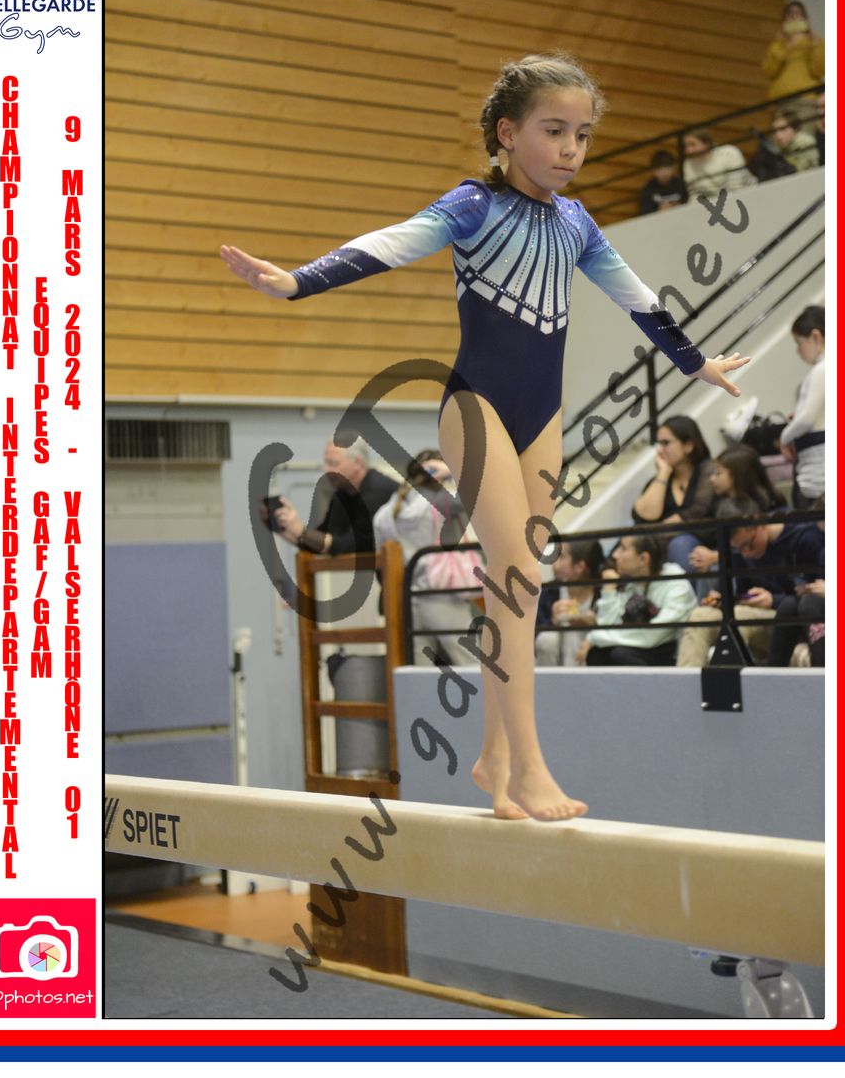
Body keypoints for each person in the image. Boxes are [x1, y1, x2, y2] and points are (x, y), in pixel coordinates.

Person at [220, 50, 750, 821]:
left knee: (519, 578)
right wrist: (300, 279)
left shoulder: (576, 223)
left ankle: (494, 756)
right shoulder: (474, 205)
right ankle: (529, 768)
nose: (571, 148)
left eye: (583, 135)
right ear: (507, 132)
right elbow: (395, 242)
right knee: (520, 573)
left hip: (543, 416)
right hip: (476, 410)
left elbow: (637, 298)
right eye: (553, 130)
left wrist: (695, 362)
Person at [676, 498, 824, 668]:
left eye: (749, 545)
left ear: (759, 524)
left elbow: (814, 599)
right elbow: (743, 592)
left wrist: (773, 600)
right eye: (739, 549)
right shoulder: (741, 551)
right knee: (700, 616)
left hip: (789, 620)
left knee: (739, 619)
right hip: (756, 614)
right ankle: (684, 682)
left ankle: (736, 683)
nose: (746, 553)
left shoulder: (805, 539)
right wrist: (726, 601)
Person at [372, 449, 481, 668]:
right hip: (443, 596)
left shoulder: (384, 514)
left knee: (420, 671)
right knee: (471, 665)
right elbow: (480, 496)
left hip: (409, 599)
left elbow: (380, 565)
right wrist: (453, 471)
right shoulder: (441, 502)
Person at [576, 535, 697, 667]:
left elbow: (653, 635)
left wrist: (595, 638)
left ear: (643, 559)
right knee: (597, 654)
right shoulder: (632, 584)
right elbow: (608, 624)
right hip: (645, 649)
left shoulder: (676, 585)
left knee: (620, 654)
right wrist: (609, 589)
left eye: (623, 549)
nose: (615, 555)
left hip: (672, 655)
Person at [267, 437, 396, 556]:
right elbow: (321, 541)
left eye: (333, 463)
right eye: (326, 463)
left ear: (357, 463)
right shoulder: (343, 494)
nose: (327, 470)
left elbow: (350, 545)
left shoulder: (378, 491)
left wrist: (300, 531)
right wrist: (282, 527)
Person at [632, 415, 718, 574]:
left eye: (666, 443)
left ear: (688, 445)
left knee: (681, 543)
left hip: (704, 543)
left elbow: (699, 509)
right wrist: (663, 473)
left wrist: (662, 529)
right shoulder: (661, 480)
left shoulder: (709, 470)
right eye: (659, 444)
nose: (660, 450)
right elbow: (642, 517)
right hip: (662, 549)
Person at [687, 444, 783, 577]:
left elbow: (758, 549)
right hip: (729, 555)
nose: (712, 478)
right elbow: (711, 533)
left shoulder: (763, 505)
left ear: (737, 476)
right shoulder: (720, 502)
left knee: (716, 570)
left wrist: (716, 556)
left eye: (718, 473)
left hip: (760, 567)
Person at [780, 306, 825, 508]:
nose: (798, 351)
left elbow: (807, 418)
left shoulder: (823, 369)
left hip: (821, 463)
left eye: (800, 343)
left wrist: (785, 437)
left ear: (816, 337)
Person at [535, 538, 604, 666]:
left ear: (580, 567)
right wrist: (552, 621)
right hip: (555, 660)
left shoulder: (604, 593)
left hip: (589, 660)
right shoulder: (550, 592)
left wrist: (595, 623)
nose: (554, 561)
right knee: (547, 639)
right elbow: (532, 633)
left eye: (561, 557)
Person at [761, 1, 825, 102]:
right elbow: (769, 72)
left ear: (805, 19)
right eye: (789, 14)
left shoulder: (815, 42)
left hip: (806, 99)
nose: (794, 17)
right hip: (780, 99)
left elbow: (818, 71)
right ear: (784, 22)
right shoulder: (778, 45)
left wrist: (813, 42)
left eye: (798, 13)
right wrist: (785, 47)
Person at [682, 129, 757, 199]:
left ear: (706, 143)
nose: (688, 150)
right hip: (718, 204)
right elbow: (695, 195)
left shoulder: (729, 153)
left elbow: (736, 188)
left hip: (750, 195)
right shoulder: (688, 164)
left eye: (692, 145)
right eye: (686, 146)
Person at [769, 106, 821, 172]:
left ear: (795, 129)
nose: (778, 135)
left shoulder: (805, 143)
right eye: (774, 131)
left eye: (783, 129)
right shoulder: (777, 149)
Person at [639, 149, 687, 215]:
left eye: (667, 167)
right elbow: (645, 213)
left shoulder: (681, 184)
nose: (664, 172)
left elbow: (688, 202)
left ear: (674, 168)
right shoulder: (648, 190)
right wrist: (659, 210)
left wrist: (678, 206)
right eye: (659, 169)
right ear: (653, 171)